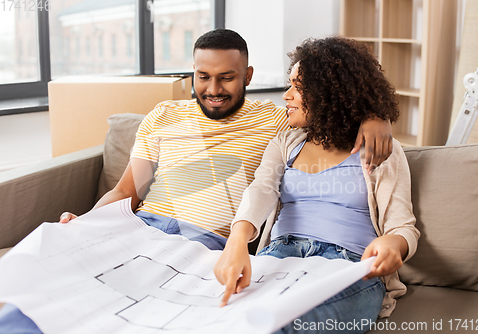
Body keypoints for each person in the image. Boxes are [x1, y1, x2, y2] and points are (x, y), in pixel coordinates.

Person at [0, 30, 394, 333]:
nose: (213, 90)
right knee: (40, 299)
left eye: (226, 78)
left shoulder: (276, 121)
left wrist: (377, 116)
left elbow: (332, 103)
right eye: (203, 77)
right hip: (140, 227)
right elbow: (125, 192)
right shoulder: (163, 115)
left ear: (248, 76)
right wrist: (86, 222)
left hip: (204, 244)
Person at [213, 36, 420, 334]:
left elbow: (404, 227)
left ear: (329, 94)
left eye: (299, 88)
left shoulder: (380, 150)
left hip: (348, 266)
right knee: (227, 320)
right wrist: (237, 241)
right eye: (290, 84)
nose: (286, 95)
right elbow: (261, 190)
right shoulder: (285, 143)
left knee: (283, 326)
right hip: (280, 256)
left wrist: (393, 244)